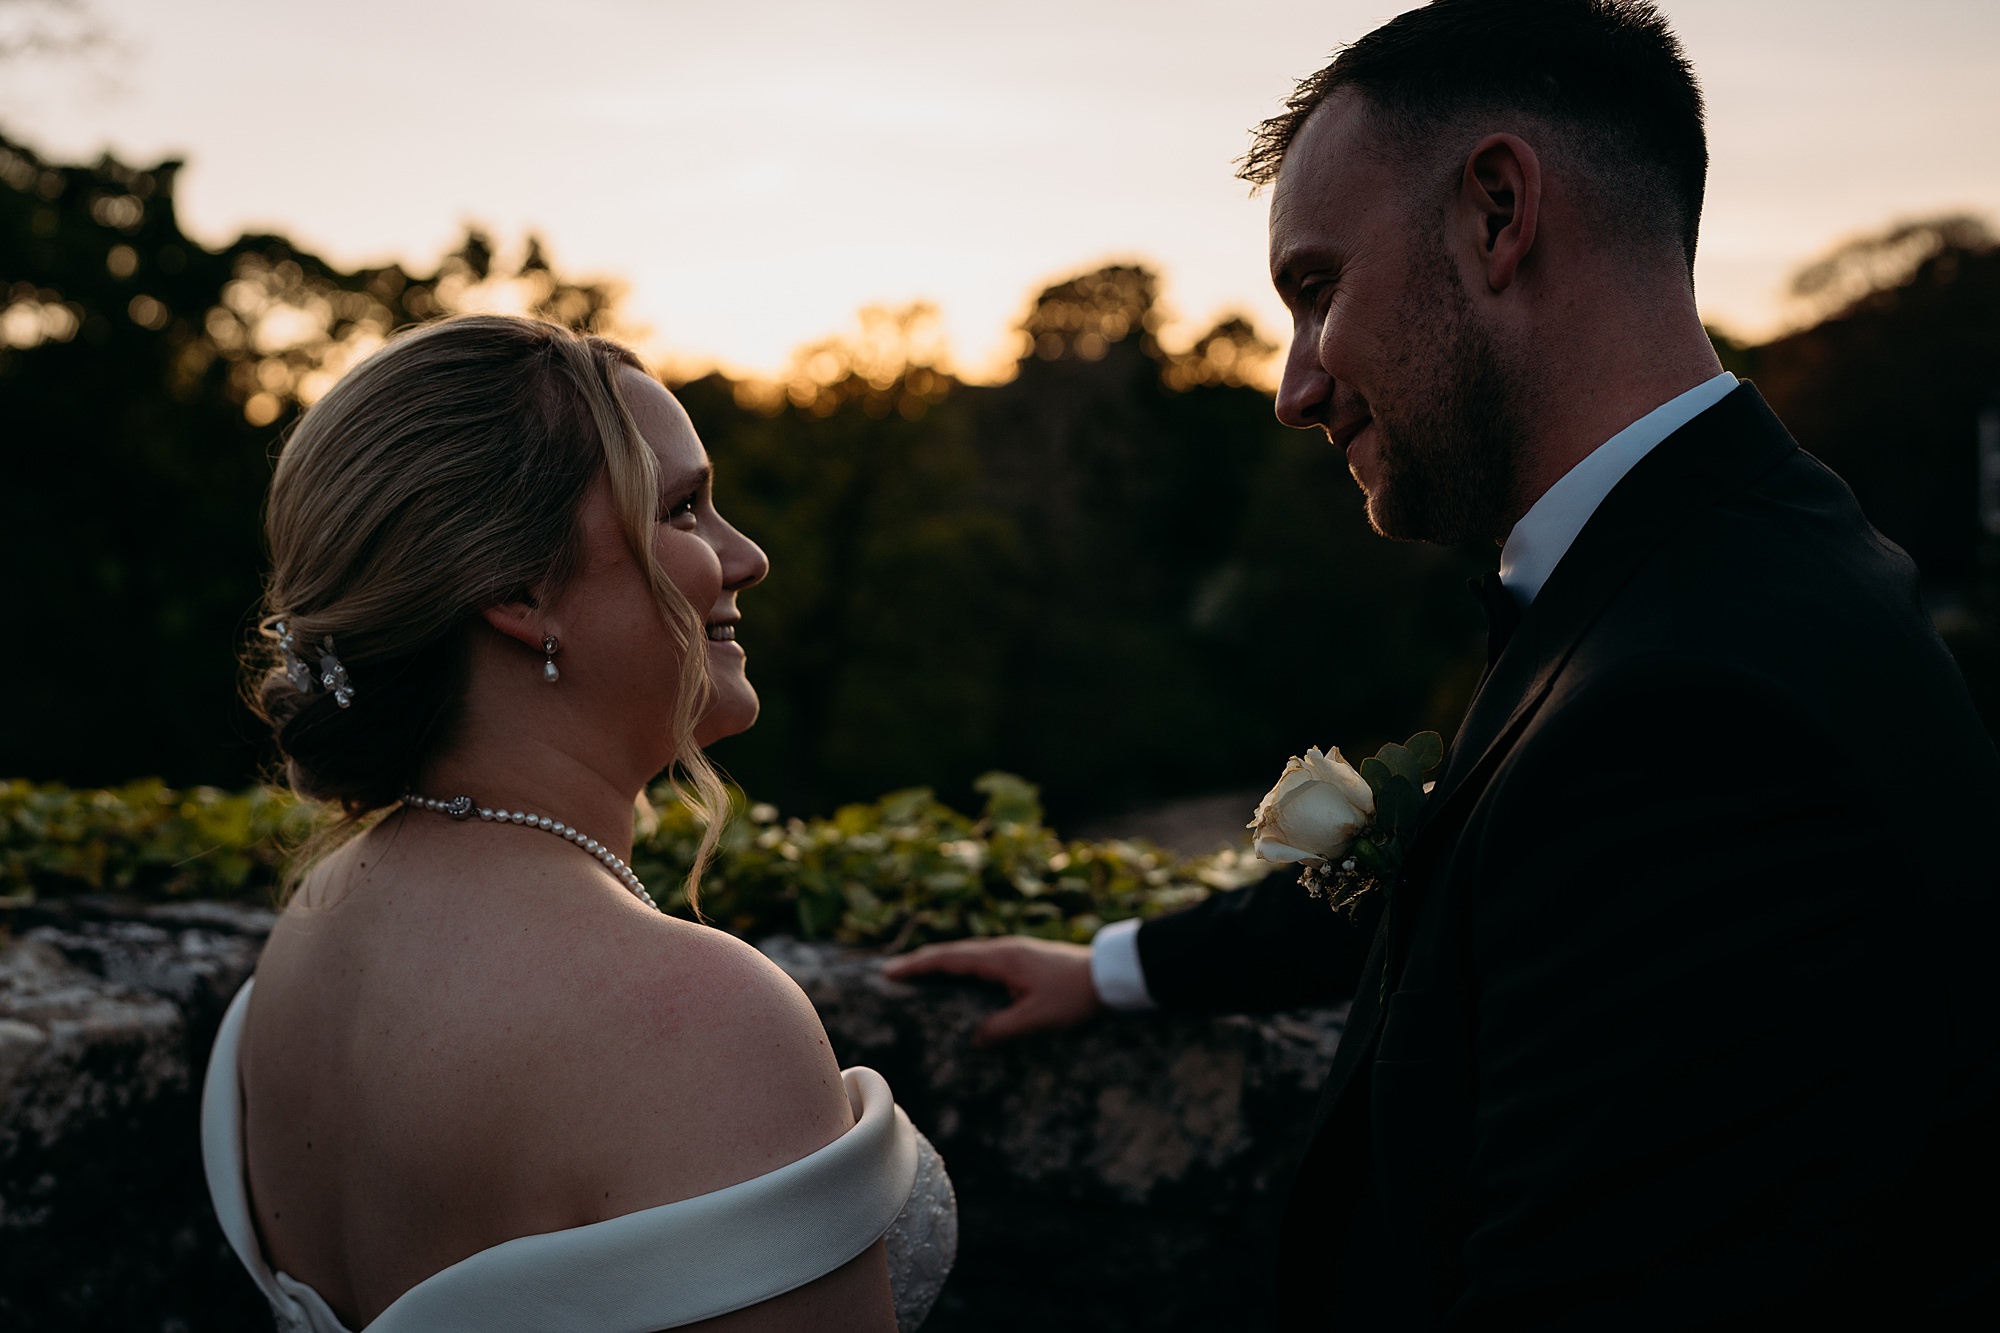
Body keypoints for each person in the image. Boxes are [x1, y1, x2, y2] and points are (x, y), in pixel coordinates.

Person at [886, 1, 2000, 1326]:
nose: (1297, 387)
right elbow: (1481, 878)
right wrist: (1117, 967)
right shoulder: (1728, 552)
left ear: (1496, 212)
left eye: (1316, 290)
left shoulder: (1693, 719)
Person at [200, 315, 955, 1333]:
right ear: (518, 587)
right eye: (683, 510)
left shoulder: (313, 929)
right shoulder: (702, 1022)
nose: (748, 556)